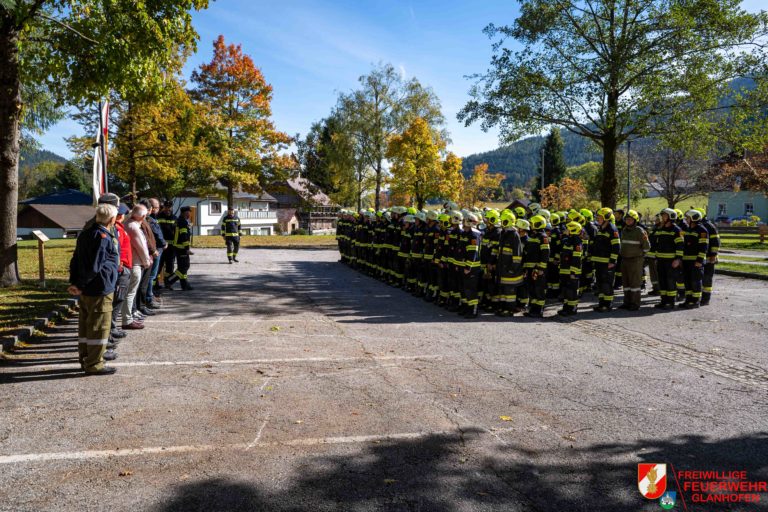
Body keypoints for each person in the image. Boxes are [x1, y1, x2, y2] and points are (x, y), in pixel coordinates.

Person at [68, 203, 120, 375]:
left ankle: (86, 358)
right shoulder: (103, 237)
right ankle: (94, 363)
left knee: (85, 325)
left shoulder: (85, 234)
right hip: (100, 288)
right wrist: (79, 284)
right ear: (112, 219)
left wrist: (75, 283)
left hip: (87, 288)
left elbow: (75, 260)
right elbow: (95, 265)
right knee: (99, 327)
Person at [109, 204, 133, 351]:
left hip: (124, 267)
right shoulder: (117, 229)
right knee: (117, 299)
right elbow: (119, 249)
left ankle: (112, 328)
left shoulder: (119, 228)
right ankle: (111, 328)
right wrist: (122, 265)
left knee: (119, 299)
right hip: (121, 268)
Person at [123, 205, 151, 328]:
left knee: (129, 292)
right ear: (143, 216)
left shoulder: (127, 224)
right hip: (135, 263)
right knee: (131, 293)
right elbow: (141, 247)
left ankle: (129, 317)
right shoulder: (133, 227)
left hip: (131, 262)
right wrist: (146, 261)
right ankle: (127, 319)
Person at [618, 209, 650, 310]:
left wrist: (640, 256)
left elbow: (647, 247)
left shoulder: (640, 231)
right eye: (627, 219)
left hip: (635, 260)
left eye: (630, 219)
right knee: (626, 283)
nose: (628, 221)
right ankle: (627, 302)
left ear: (635, 220)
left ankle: (635, 304)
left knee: (635, 283)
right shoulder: (624, 230)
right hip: (624, 259)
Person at [653, 208, 684, 310]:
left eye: (665, 215)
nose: (662, 217)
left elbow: (680, 245)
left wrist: (678, 259)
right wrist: (656, 257)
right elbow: (656, 243)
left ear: (671, 217)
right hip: (661, 260)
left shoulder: (677, 230)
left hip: (671, 261)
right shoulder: (661, 229)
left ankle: (670, 302)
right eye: (662, 215)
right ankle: (663, 301)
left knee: (670, 282)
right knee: (662, 281)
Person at [590, 207, 620, 312]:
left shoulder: (612, 229)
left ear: (606, 218)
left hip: (607, 262)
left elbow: (616, 247)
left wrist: (612, 261)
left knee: (607, 284)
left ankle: (607, 305)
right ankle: (601, 303)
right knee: (600, 283)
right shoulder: (600, 228)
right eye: (597, 217)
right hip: (599, 261)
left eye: (599, 217)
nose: (597, 219)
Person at [495, 213, 525, 316]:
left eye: (503, 221)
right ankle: (504, 308)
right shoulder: (504, 233)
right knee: (503, 291)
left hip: (510, 270)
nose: (501, 223)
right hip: (503, 268)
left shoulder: (514, 235)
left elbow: (517, 255)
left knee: (510, 292)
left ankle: (510, 310)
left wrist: (512, 268)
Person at [680, 209, 709, 308]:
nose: (686, 219)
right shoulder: (688, 229)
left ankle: (696, 301)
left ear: (694, 218)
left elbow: (704, 247)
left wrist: (699, 260)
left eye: (688, 218)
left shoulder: (702, 230)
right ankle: (688, 300)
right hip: (686, 260)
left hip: (696, 261)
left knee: (695, 281)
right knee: (687, 281)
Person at [522, 214, 550, 318]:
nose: (531, 225)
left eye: (532, 223)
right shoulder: (532, 236)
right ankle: (533, 309)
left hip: (538, 269)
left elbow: (545, 253)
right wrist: (525, 267)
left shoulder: (543, 237)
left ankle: (539, 310)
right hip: (530, 268)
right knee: (532, 289)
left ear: (537, 224)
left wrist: (541, 268)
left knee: (539, 289)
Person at [557, 221, 584, 316]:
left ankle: (572, 309)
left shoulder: (577, 242)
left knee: (572, 290)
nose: (565, 230)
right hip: (565, 270)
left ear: (572, 230)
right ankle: (566, 307)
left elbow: (576, 259)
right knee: (566, 290)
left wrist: (573, 272)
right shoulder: (569, 239)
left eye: (567, 229)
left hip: (572, 271)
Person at [460, 213, 483, 318]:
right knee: (465, 289)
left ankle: (473, 310)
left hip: (472, 268)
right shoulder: (465, 233)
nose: (463, 222)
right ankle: (466, 308)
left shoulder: (474, 235)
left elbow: (473, 253)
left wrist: (468, 267)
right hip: (465, 266)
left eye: (464, 220)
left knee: (471, 289)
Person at [166, 206, 194, 290]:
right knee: (184, 267)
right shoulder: (182, 222)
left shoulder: (180, 221)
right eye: (188, 213)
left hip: (178, 247)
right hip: (181, 248)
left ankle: (184, 285)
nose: (189, 214)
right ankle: (169, 280)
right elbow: (184, 236)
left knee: (182, 267)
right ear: (185, 213)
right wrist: (187, 248)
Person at [146, 198, 166, 307]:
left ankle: (150, 294)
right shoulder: (151, 219)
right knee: (151, 275)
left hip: (157, 248)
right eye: (157, 207)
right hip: (156, 249)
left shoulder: (153, 218)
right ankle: (149, 297)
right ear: (152, 208)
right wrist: (163, 243)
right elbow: (157, 234)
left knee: (152, 275)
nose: (158, 209)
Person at [699, 208, 720, 305]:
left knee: (707, 278)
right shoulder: (698, 226)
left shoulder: (709, 226)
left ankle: (706, 299)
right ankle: (699, 297)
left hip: (709, 258)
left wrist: (713, 255)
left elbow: (716, 242)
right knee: (699, 278)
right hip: (701, 257)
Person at [156, 200, 177, 286]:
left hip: (171, 247)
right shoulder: (158, 217)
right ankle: (155, 284)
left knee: (170, 266)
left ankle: (168, 282)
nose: (168, 209)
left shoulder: (174, 218)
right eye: (166, 207)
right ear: (164, 207)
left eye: (169, 207)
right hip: (160, 246)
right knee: (159, 265)